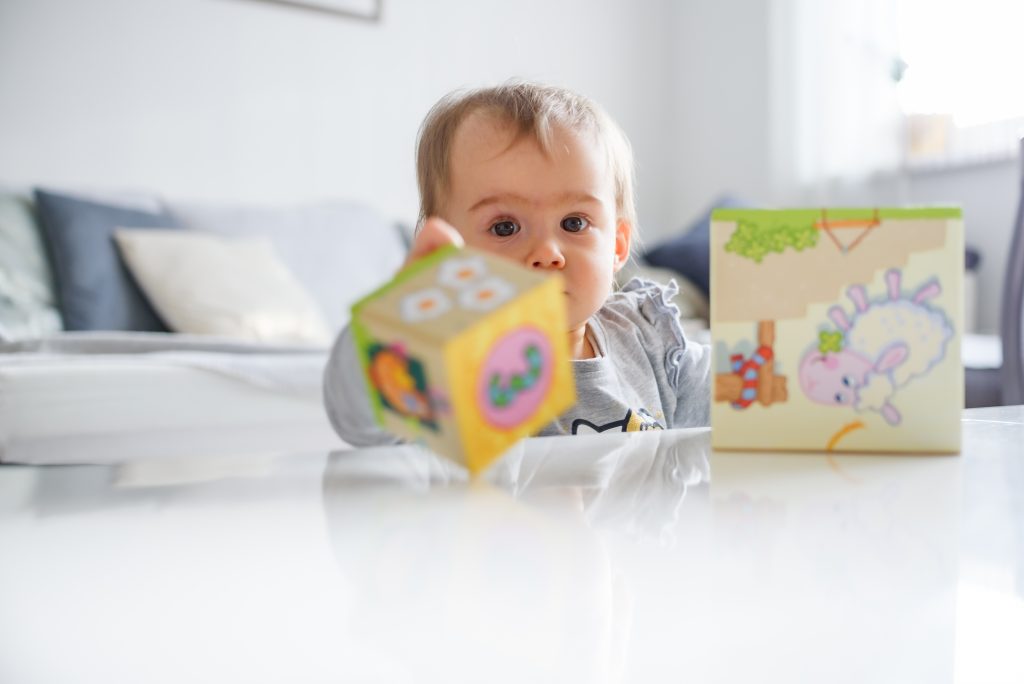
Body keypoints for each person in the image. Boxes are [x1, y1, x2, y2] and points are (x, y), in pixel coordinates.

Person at [323, 81, 709, 445]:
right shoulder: (453, 359)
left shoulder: (651, 344)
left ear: (618, 247)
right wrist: (401, 330)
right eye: (505, 227)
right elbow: (361, 417)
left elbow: (748, 399)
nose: (547, 252)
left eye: (574, 223)